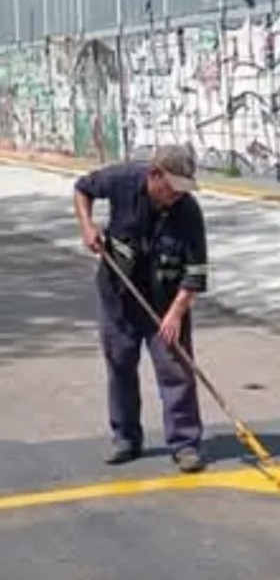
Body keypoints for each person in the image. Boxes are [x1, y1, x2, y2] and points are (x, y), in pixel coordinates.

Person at [73, 145, 209, 473]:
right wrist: (87, 225)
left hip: (166, 302)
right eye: (172, 188)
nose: (177, 196)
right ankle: (125, 438)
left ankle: (185, 444)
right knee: (120, 364)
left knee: (175, 369)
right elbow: (82, 188)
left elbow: (196, 270)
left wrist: (176, 313)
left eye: (183, 190)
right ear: (154, 175)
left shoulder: (188, 212)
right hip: (118, 293)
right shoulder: (122, 179)